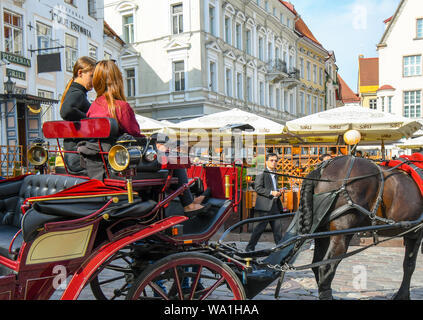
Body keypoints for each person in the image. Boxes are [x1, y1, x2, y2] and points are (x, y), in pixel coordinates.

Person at [87, 60, 209, 216]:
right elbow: (136, 136)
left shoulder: (93, 107)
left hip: (103, 161)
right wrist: (157, 146)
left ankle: (189, 198)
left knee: (164, 146)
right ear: (118, 80)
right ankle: (188, 203)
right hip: (124, 164)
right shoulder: (121, 107)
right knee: (174, 157)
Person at [58, 56, 96, 174]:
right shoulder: (77, 93)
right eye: (91, 76)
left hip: (74, 155)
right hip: (78, 157)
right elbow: (66, 111)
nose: (94, 81)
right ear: (80, 73)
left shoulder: (76, 92)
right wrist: (89, 120)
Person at [246, 153, 283, 252]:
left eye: (276, 160)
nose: (274, 162)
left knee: (278, 231)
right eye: (272, 160)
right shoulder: (261, 172)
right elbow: (258, 188)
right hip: (265, 206)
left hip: (275, 205)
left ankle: (280, 252)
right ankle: (249, 248)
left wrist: (278, 192)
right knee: (259, 229)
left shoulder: (275, 173)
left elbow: (273, 188)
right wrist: (272, 192)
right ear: (266, 161)